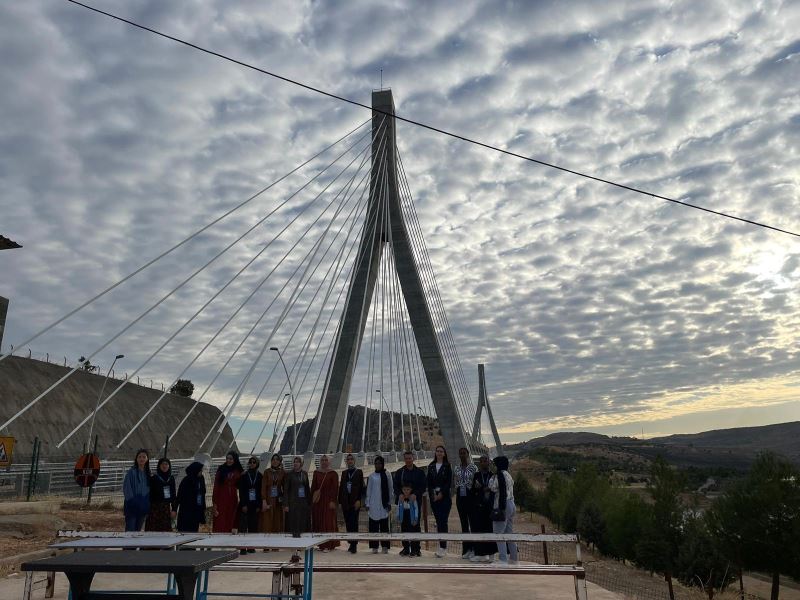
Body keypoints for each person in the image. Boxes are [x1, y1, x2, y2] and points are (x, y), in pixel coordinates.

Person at [394, 450, 425, 557]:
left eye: (409, 458)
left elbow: (423, 486)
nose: (408, 460)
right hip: (403, 503)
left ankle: (416, 549)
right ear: (404, 459)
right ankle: (406, 548)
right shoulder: (400, 472)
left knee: (415, 524)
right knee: (404, 525)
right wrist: (399, 494)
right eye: (406, 458)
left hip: (415, 503)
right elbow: (396, 486)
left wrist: (415, 494)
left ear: (413, 458)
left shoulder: (419, 472)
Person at [489, 456, 518, 564]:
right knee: (509, 533)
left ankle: (503, 559)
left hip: (502, 505)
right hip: (511, 504)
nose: (493, 466)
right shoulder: (508, 474)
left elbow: (492, 487)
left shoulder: (499, 475)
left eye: (494, 464)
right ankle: (514, 559)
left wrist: (492, 477)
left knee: (498, 534)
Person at [427, 445, 453, 558]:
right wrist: (433, 495)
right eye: (437, 451)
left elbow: (449, 482)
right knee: (438, 522)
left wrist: (442, 493)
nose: (439, 453)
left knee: (443, 521)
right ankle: (441, 545)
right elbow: (429, 483)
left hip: (445, 498)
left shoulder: (447, 466)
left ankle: (443, 547)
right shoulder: (431, 466)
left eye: (441, 451)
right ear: (435, 453)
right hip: (434, 498)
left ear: (444, 453)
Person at [469, 455, 497, 563]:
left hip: (490, 507)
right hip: (479, 507)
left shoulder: (493, 475)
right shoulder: (476, 475)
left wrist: (487, 489)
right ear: (479, 463)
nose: (484, 463)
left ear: (489, 462)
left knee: (490, 530)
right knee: (478, 529)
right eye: (482, 461)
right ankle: (480, 554)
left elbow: (495, 490)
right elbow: (472, 491)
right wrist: (476, 488)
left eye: (486, 461)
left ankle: (491, 555)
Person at [311, 454, 340, 552]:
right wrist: (312, 501)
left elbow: (335, 489)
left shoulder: (333, 473)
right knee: (319, 521)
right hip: (318, 501)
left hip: (328, 501)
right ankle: (320, 544)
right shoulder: (316, 472)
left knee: (328, 522)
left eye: (326, 460)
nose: (324, 462)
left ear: (329, 461)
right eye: (322, 460)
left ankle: (328, 544)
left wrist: (333, 501)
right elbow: (313, 487)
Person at [453, 447, 477, 559]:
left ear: (468, 454)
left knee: (473, 523)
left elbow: (476, 482)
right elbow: (455, 482)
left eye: (464, 453)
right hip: (460, 497)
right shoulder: (456, 468)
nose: (462, 455)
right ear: (459, 455)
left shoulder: (473, 467)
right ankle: (466, 549)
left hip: (470, 497)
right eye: (460, 453)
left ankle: (474, 549)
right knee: (464, 524)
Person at [338, 453, 364, 554]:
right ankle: (350, 543)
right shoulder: (344, 473)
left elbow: (362, 487)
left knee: (354, 523)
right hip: (345, 502)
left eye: (351, 459)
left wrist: (359, 500)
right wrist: (340, 501)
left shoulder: (359, 472)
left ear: (354, 461)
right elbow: (341, 487)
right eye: (348, 459)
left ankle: (354, 545)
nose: (349, 461)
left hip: (355, 502)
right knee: (348, 523)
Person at [365, 455, 392, 554]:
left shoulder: (387, 474)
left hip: (384, 504)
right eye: (376, 463)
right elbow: (369, 490)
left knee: (384, 526)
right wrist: (367, 503)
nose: (377, 465)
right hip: (374, 504)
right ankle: (374, 546)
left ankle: (385, 546)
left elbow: (390, 489)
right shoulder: (372, 476)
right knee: (374, 526)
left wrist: (389, 502)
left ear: (382, 464)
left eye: (379, 463)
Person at [212, 451, 243, 533]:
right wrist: (215, 503)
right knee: (220, 520)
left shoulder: (238, 470)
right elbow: (216, 487)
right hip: (221, 498)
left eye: (231, 459)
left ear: (235, 460)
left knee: (231, 519)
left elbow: (241, 485)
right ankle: (219, 538)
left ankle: (228, 538)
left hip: (232, 498)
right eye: (227, 458)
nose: (228, 460)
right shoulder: (221, 469)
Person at [238, 456, 262, 553]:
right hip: (245, 503)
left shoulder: (260, 475)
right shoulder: (244, 475)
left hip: (255, 504)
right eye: (250, 462)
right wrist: (243, 504)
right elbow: (241, 491)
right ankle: (243, 548)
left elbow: (260, 492)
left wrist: (259, 505)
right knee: (243, 527)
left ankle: (251, 546)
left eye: (254, 462)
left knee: (253, 526)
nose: (252, 464)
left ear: (257, 464)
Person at [145, 457, 177, 532]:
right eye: (162, 464)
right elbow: (149, 495)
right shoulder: (154, 478)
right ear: (159, 466)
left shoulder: (171, 478)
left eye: (166, 464)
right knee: (153, 531)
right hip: (154, 509)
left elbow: (173, 494)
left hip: (166, 508)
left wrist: (174, 509)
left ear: (169, 466)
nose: (164, 466)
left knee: (165, 531)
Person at [122, 449, 150, 531]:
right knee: (130, 530)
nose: (141, 459)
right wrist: (132, 501)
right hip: (132, 506)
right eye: (139, 457)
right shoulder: (131, 472)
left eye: (144, 457)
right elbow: (127, 488)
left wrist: (147, 502)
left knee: (138, 530)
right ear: (136, 459)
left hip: (143, 506)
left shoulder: (148, 473)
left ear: (147, 459)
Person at [284, 456, 311, 536]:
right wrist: (286, 504)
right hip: (293, 503)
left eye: (298, 462)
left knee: (302, 523)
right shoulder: (289, 474)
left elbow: (307, 489)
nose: (295, 463)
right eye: (294, 462)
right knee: (293, 524)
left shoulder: (305, 473)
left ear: (301, 463)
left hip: (303, 503)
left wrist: (309, 503)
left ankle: (302, 541)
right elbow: (286, 490)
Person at [176, 461, 207, 533]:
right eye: (200, 470)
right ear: (195, 470)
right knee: (184, 531)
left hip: (196, 511)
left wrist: (203, 508)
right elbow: (179, 496)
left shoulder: (201, 479)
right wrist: (175, 509)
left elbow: (203, 493)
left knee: (194, 531)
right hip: (186, 511)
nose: (201, 472)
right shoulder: (186, 480)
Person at [260, 453, 285, 535]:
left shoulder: (282, 472)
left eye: (277, 459)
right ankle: (266, 541)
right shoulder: (267, 472)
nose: (275, 461)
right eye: (273, 459)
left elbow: (285, 487)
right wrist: (264, 500)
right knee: (267, 522)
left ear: (280, 461)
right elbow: (263, 487)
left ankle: (276, 542)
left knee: (277, 521)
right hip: (268, 499)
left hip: (278, 499)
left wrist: (284, 501)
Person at [397, 481, 420, 555]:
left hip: (411, 518)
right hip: (403, 518)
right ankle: (406, 549)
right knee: (404, 532)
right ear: (402, 490)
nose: (406, 491)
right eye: (404, 489)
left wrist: (415, 518)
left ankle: (413, 550)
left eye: (408, 489)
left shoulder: (413, 498)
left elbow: (416, 509)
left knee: (412, 533)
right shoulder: (401, 498)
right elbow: (398, 508)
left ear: (411, 490)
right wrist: (398, 517)